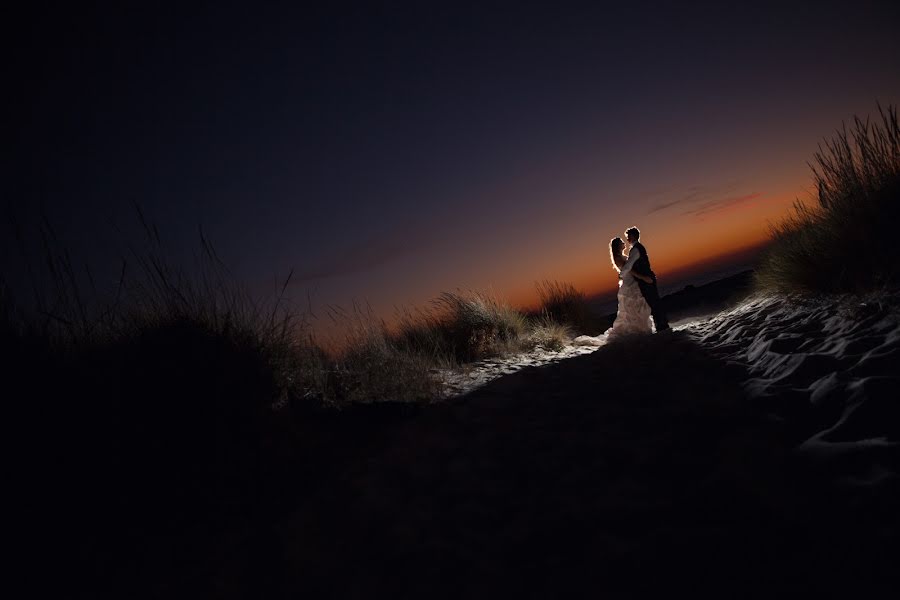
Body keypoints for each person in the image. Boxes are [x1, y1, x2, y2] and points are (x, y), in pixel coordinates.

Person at [619, 226, 670, 332]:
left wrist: (621, 275)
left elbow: (628, 266)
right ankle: (663, 327)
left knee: (654, 303)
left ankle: (662, 328)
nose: (627, 239)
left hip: (646, 279)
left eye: (628, 237)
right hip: (647, 278)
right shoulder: (639, 248)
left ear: (633, 236)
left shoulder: (635, 249)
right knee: (655, 303)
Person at [604, 236, 654, 339]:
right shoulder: (618, 258)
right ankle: (637, 332)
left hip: (632, 282)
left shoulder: (622, 256)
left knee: (638, 307)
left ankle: (641, 329)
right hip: (629, 285)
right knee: (633, 309)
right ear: (618, 246)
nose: (624, 243)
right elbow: (630, 271)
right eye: (621, 242)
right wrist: (644, 278)